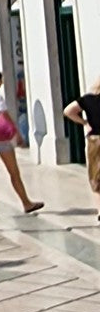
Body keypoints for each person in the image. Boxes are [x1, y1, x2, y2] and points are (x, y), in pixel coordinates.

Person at [0, 68, 44, 219]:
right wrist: (18, 135)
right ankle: (26, 203)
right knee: (14, 173)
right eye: (1, 81)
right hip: (2, 140)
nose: (2, 83)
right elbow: (5, 117)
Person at [63, 77, 100, 221]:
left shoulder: (87, 99)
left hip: (95, 140)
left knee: (96, 178)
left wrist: (84, 122)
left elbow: (68, 111)